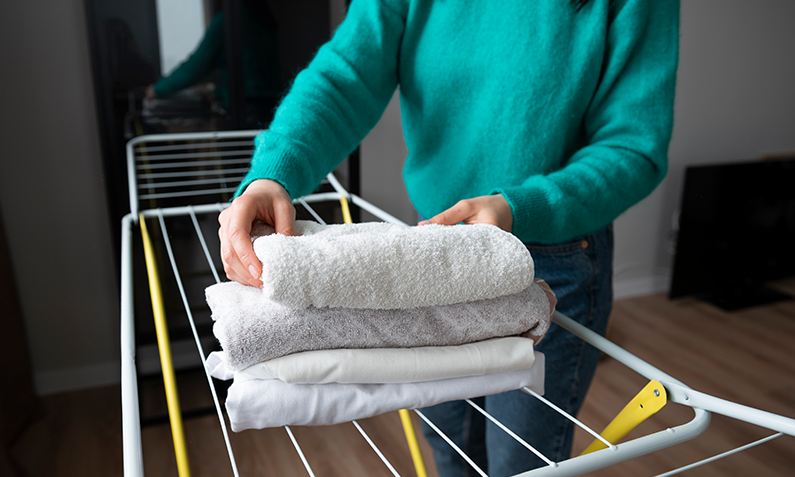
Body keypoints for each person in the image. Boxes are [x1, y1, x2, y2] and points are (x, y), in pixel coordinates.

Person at [218, 0, 679, 475]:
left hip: (550, 253)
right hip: (435, 249)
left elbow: (633, 147)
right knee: (449, 447)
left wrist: (519, 207)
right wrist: (273, 174)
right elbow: (346, 73)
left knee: (520, 464)